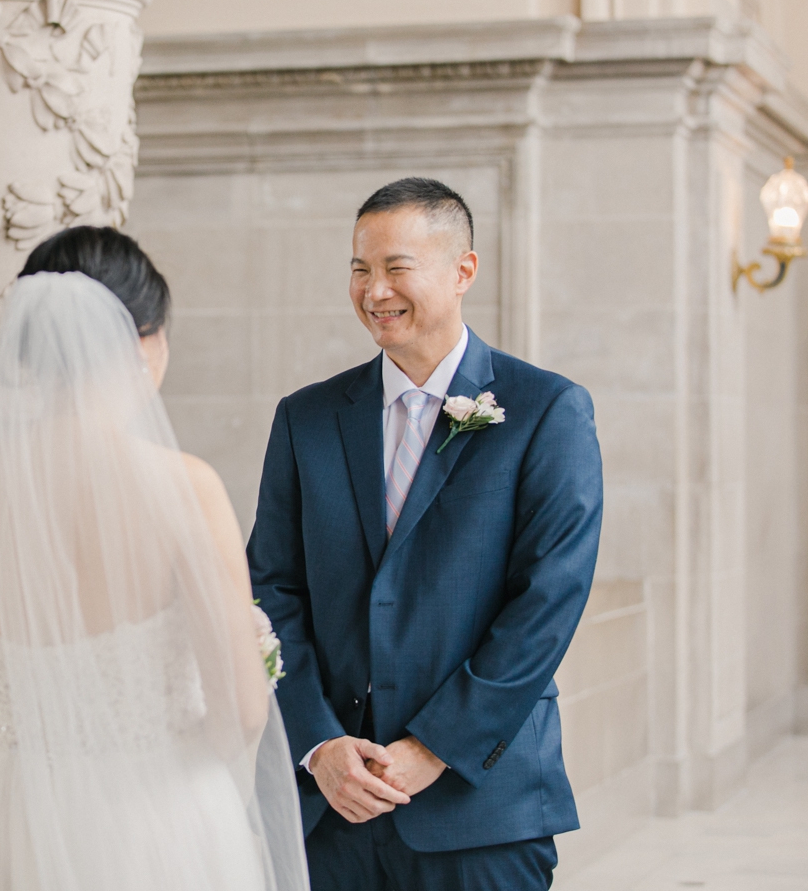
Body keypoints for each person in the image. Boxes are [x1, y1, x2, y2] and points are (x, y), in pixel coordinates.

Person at [0, 226, 310, 891]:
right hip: (160, 812)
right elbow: (241, 706)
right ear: (141, 344)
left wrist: (47, 745)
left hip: (18, 809)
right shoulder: (185, 488)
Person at [249, 178, 604, 890]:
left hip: (482, 807)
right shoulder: (306, 419)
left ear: (462, 271)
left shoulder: (546, 410)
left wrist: (433, 747)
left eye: (396, 268)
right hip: (332, 811)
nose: (374, 290)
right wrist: (317, 743)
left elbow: (546, 605)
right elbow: (271, 589)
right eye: (359, 269)